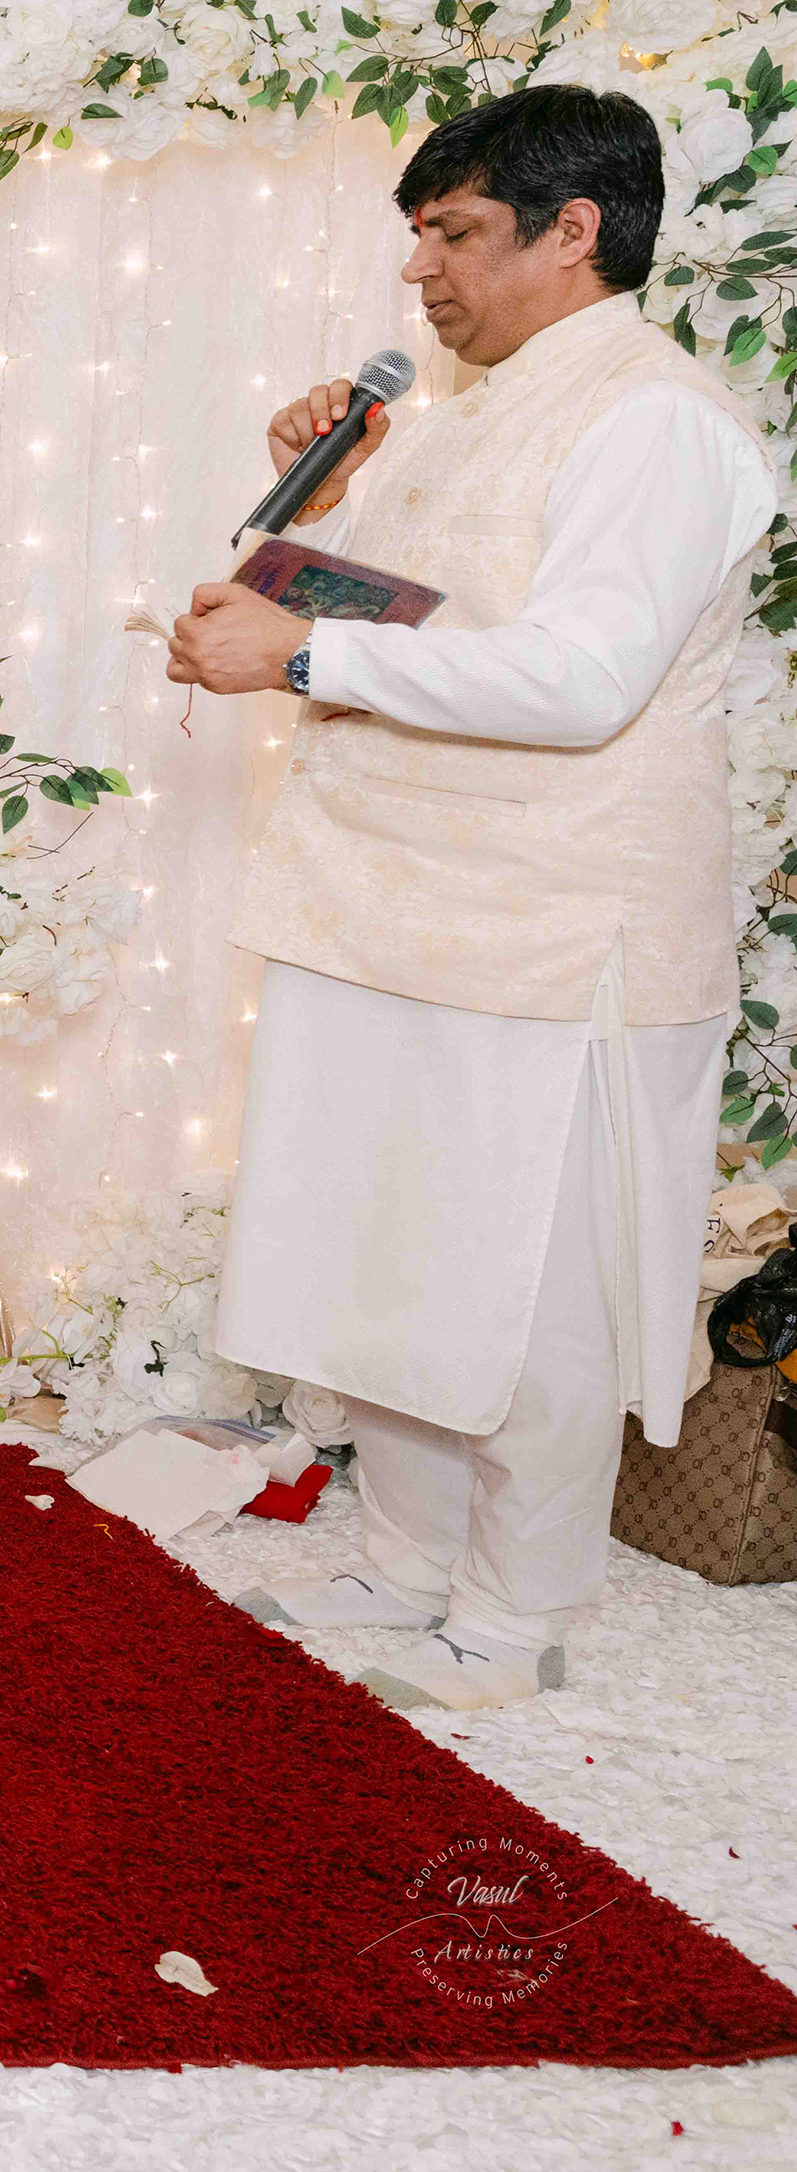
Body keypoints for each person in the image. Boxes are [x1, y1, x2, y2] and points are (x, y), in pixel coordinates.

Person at [168, 84, 774, 1712]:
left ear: (576, 232)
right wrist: (328, 511)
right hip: (392, 903)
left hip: (555, 929)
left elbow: (578, 677)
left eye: (456, 233)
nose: (420, 271)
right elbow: (437, 626)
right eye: (418, 235)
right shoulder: (464, 410)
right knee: (395, 1259)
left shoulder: (656, 421)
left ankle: (513, 1620)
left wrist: (298, 649)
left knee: (528, 1291)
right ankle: (404, 1564)